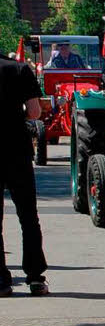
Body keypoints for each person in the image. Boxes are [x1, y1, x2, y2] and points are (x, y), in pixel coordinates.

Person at [0, 56, 48, 296]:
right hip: (17, 151)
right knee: (28, 216)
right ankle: (35, 276)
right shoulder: (19, 69)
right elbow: (35, 112)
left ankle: (1, 281)